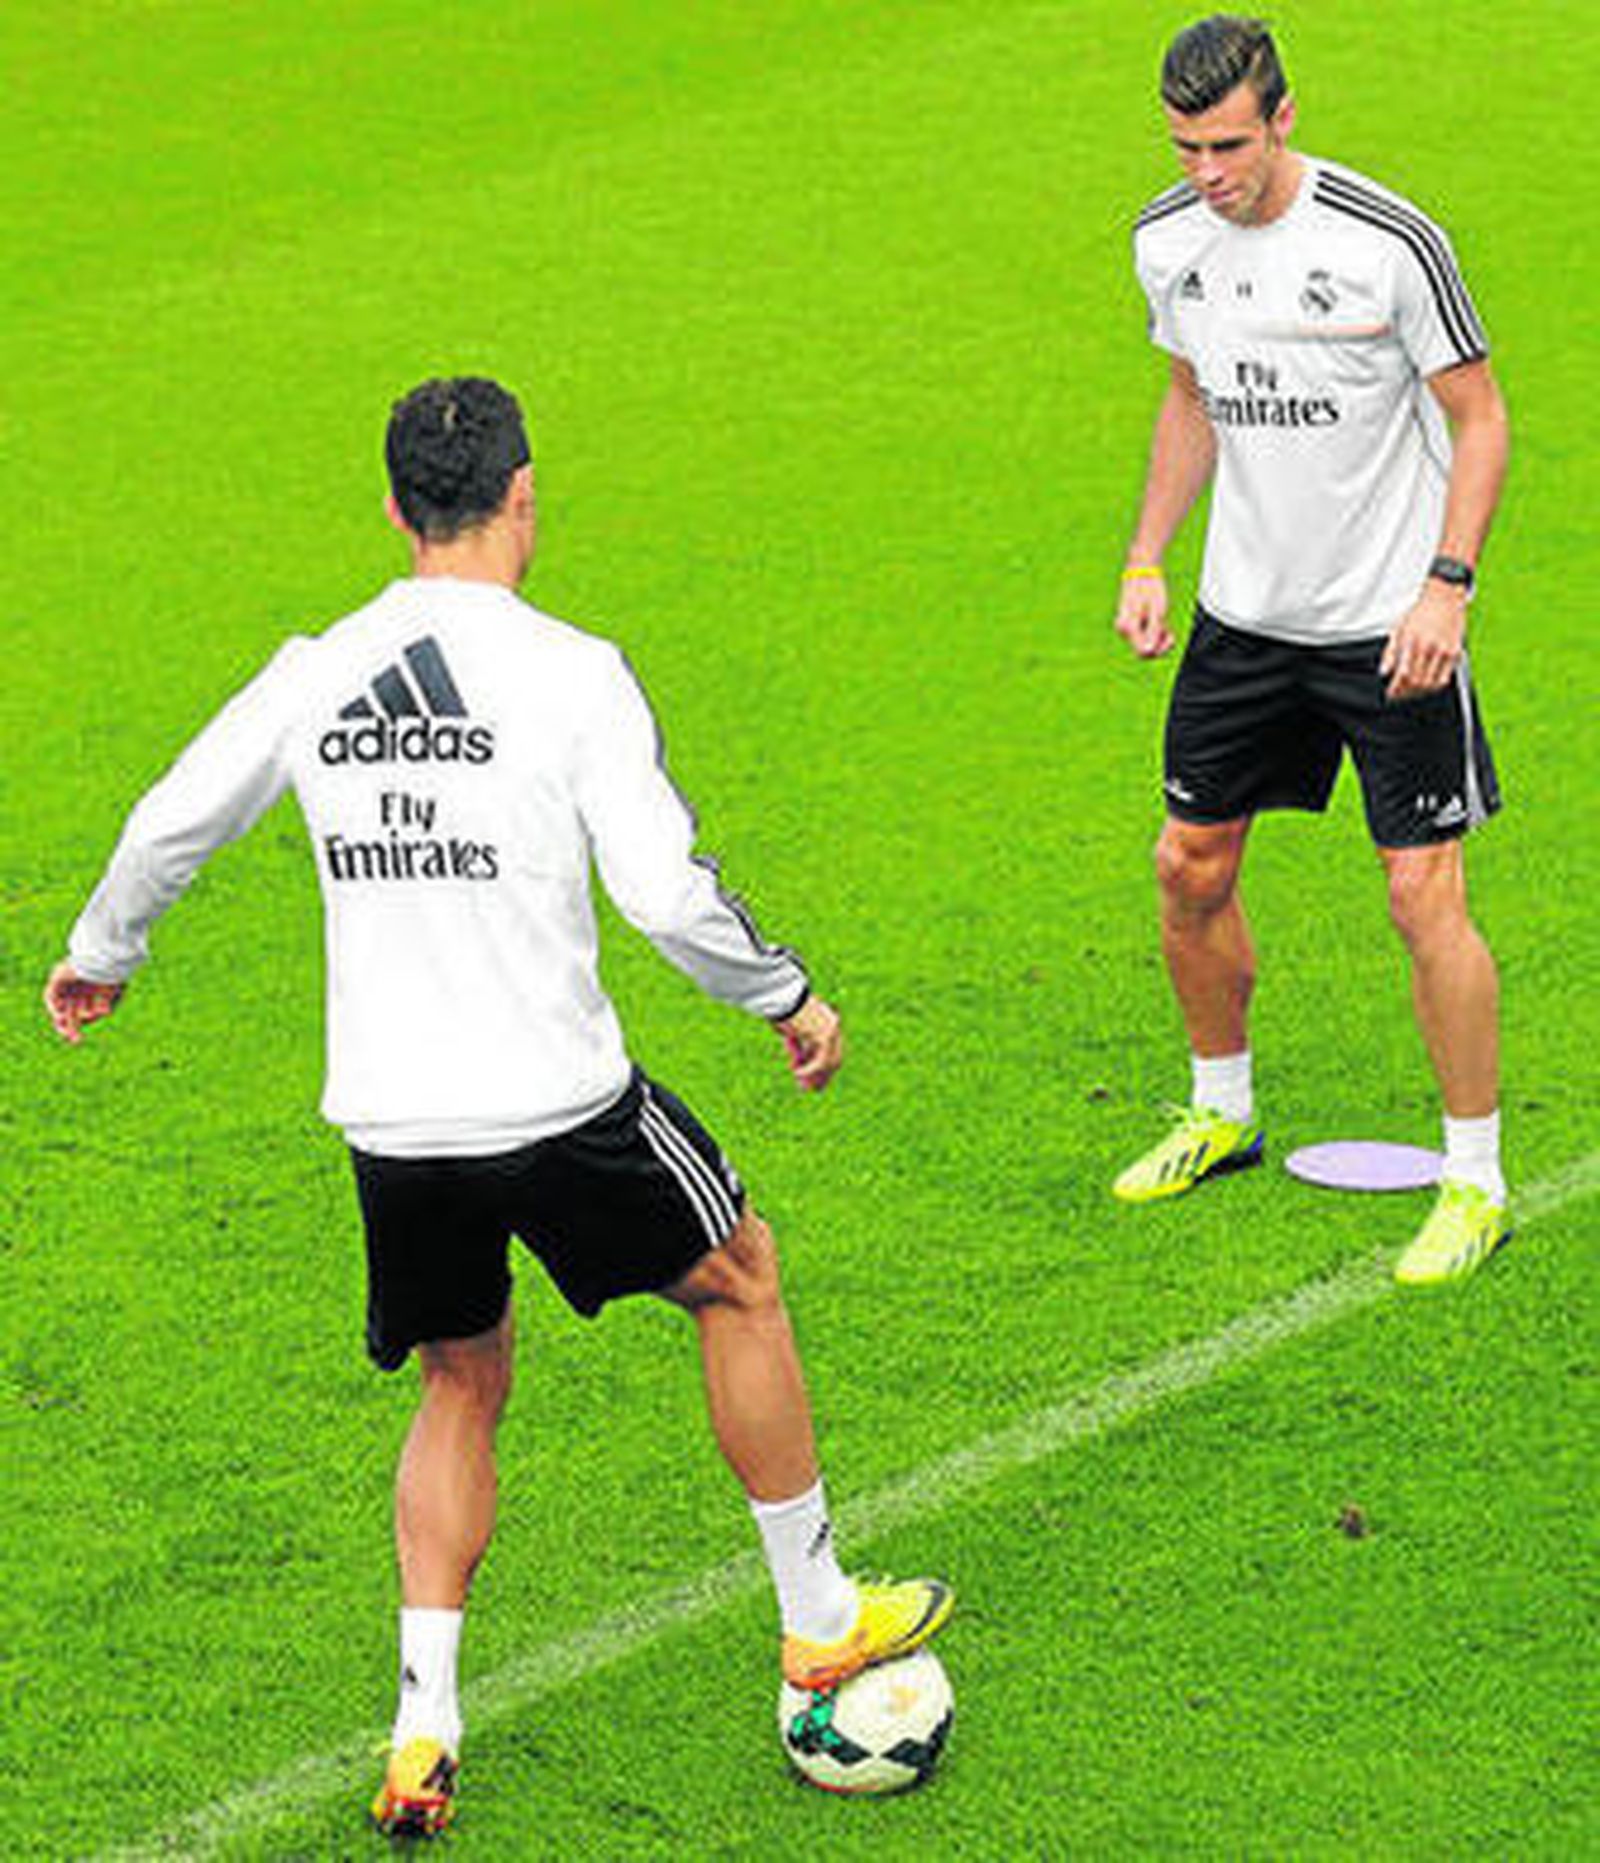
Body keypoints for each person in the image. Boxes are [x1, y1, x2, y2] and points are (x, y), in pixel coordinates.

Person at [44, 377, 952, 1838]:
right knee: (738, 1276)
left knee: (459, 1382)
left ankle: (424, 1725)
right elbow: (665, 895)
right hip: (558, 1102)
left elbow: (167, 824)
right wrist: (785, 996)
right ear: (524, 494)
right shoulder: (572, 671)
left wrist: (103, 953)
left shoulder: (317, 671)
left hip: (395, 1125)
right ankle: (820, 1616)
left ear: (395, 509)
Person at [1111, 18, 1512, 1285]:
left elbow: (1479, 419)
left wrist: (1446, 588)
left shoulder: (1388, 242)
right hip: (1244, 619)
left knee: (1420, 894)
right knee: (1187, 864)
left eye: (1228, 146)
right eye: (1185, 148)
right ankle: (1220, 1110)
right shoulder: (1166, 240)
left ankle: (1475, 1180)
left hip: (1388, 623)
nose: (1207, 174)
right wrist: (1146, 555)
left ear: (1282, 118)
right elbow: (1191, 395)